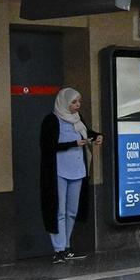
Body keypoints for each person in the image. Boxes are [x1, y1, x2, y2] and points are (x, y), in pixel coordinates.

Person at [40, 88, 102, 261]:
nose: (77, 105)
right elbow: (47, 146)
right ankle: (58, 249)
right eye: (74, 102)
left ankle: (67, 246)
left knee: (72, 210)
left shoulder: (78, 119)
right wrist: (72, 143)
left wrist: (97, 136)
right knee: (58, 209)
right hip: (58, 170)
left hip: (77, 169)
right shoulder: (52, 120)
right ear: (64, 102)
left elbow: (86, 133)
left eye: (79, 102)